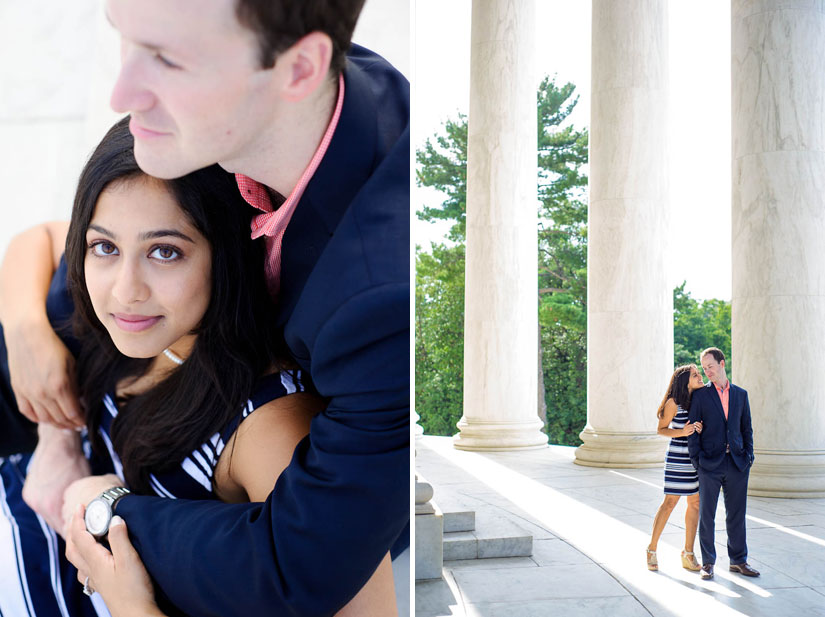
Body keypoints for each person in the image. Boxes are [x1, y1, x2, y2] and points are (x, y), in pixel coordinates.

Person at [1, 1, 409, 615]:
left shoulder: (373, 310)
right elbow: (53, 239)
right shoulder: (221, 157)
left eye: (167, 57)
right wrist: (28, 333)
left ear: (300, 70)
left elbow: (310, 564)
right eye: (124, 42)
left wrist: (101, 514)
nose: (120, 93)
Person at [688, 347, 759, 580]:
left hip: (737, 463)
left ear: (722, 363)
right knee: (707, 514)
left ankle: (738, 561)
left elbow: (746, 428)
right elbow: (693, 431)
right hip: (709, 464)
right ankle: (708, 563)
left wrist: (749, 456)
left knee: (737, 514)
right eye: (704, 367)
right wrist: (697, 461)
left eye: (710, 366)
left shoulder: (741, 394)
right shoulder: (700, 396)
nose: (707, 371)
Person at [646, 365, 704, 572]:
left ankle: (688, 553)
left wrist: (700, 429)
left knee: (695, 503)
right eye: (695, 375)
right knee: (670, 502)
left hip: (695, 458)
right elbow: (661, 430)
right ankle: (652, 548)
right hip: (678, 458)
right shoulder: (673, 403)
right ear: (684, 381)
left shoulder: (700, 398)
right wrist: (683, 431)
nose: (700, 376)